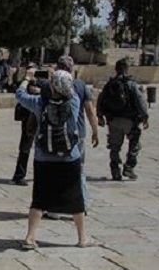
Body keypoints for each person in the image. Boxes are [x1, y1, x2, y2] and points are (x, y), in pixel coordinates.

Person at [15, 70, 98, 248]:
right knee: (76, 197)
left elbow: (20, 95)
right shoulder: (74, 102)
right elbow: (74, 90)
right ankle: (82, 238)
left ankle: (30, 237)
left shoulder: (40, 103)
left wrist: (28, 78)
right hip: (70, 158)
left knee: (39, 197)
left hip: (43, 157)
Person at [56, 55, 100, 213]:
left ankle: (56, 208)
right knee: (78, 170)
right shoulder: (80, 86)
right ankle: (83, 205)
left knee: (58, 170)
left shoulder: (53, 86)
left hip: (58, 134)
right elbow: (90, 111)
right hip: (78, 132)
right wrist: (95, 131)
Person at [96, 58, 149, 181]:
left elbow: (100, 100)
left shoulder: (109, 84)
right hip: (130, 120)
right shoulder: (131, 85)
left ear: (116, 69)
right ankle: (129, 167)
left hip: (113, 120)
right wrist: (145, 117)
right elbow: (140, 102)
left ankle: (115, 170)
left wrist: (100, 116)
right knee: (135, 143)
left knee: (114, 147)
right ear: (126, 69)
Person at [11, 63, 39, 186]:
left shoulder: (41, 83)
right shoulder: (24, 84)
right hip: (28, 119)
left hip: (40, 118)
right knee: (25, 147)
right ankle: (19, 174)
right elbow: (17, 91)